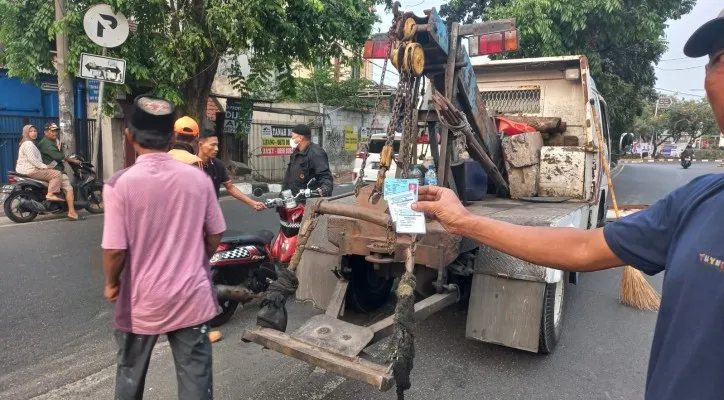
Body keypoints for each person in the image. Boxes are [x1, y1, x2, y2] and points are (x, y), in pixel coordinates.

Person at [411, 11, 724, 400]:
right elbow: (582, 246)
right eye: (719, 59)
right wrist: (463, 221)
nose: (717, 69)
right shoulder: (696, 202)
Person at [102, 96, 226, 400]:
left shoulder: (119, 185)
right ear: (172, 137)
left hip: (140, 301)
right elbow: (215, 233)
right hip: (191, 297)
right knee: (196, 381)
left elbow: (115, 250)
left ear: (129, 137)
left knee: (129, 375)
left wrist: (111, 283)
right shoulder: (198, 179)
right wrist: (199, 261)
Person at [197, 129, 265, 210]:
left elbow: (230, 188)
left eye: (217, 145)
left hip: (212, 213)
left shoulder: (218, 165)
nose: (216, 149)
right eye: (212, 145)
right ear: (201, 144)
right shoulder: (190, 165)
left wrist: (253, 203)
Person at [36, 122, 82, 220]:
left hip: (51, 168)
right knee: (69, 189)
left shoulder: (51, 141)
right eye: (52, 131)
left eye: (56, 131)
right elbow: (59, 156)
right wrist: (73, 160)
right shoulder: (46, 143)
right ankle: (72, 212)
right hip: (54, 170)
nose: (55, 133)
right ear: (46, 132)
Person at [14, 125, 65, 204]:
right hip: (30, 170)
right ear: (26, 133)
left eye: (35, 131)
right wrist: (44, 166)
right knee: (56, 174)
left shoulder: (29, 143)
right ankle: (50, 194)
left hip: (27, 169)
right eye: (31, 131)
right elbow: (32, 159)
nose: (34, 133)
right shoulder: (28, 144)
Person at [282, 124, 333, 197]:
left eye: (293, 136)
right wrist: (282, 195)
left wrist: (325, 188)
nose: (291, 139)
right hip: (294, 201)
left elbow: (325, 176)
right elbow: (288, 178)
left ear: (300, 137)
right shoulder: (295, 153)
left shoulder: (316, 153)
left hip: (308, 202)